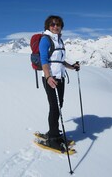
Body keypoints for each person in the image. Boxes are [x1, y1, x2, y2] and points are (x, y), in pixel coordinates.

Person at [39, 15, 80, 149]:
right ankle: (52, 138)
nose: (55, 26)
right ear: (48, 26)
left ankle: (53, 132)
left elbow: (60, 61)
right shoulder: (45, 40)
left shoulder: (60, 40)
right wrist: (48, 77)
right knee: (54, 107)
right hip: (50, 78)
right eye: (52, 24)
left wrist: (72, 67)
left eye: (58, 24)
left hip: (60, 77)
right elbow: (44, 60)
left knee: (59, 105)